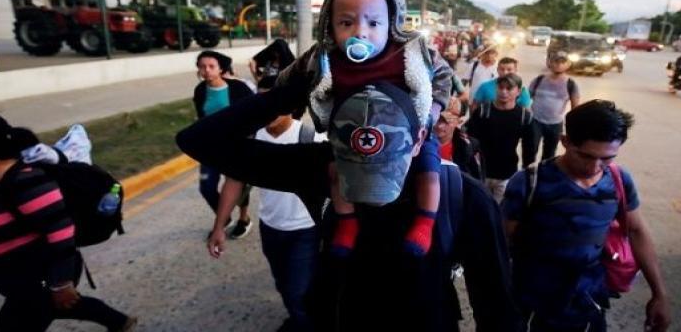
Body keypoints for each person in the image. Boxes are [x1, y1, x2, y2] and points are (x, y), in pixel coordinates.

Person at [176, 82, 521, 331]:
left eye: (388, 164)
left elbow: (496, 306)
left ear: (419, 140)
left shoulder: (462, 195)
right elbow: (198, 141)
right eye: (356, 165)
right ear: (336, 145)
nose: (369, 186)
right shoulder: (322, 167)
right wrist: (296, 87)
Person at [277, 0, 449, 257]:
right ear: (329, 24)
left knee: (429, 170)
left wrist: (429, 116)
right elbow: (288, 80)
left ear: (392, 23)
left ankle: (425, 222)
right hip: (348, 135)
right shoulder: (325, 58)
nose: (361, 32)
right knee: (335, 173)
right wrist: (289, 86)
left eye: (373, 23)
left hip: (406, 135)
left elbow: (443, 78)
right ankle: (347, 222)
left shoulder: (411, 53)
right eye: (346, 23)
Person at [0, 106, 136, 332]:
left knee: (28, 316)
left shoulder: (26, 182)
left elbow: (60, 232)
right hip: (11, 283)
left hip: (41, 279)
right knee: (59, 307)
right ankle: (117, 321)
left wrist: (60, 283)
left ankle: (114, 320)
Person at [502, 100, 671, 332]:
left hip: (588, 300)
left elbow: (636, 231)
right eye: (586, 156)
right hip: (531, 302)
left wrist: (659, 294)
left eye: (607, 158)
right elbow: (502, 242)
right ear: (565, 142)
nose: (595, 167)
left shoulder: (619, 180)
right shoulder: (530, 182)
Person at [207, 76, 324, 332]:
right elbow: (234, 182)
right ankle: (297, 319)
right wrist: (219, 227)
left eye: (275, 100)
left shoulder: (311, 138)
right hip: (270, 228)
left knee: (297, 292)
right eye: (262, 101)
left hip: (305, 231)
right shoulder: (252, 139)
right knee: (283, 284)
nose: (267, 108)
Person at [193, 50, 255, 239]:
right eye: (202, 66)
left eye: (211, 66)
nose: (207, 71)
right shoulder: (200, 90)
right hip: (210, 148)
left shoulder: (238, 88)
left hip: (236, 147)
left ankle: (244, 219)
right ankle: (225, 218)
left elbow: (251, 115)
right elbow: (201, 118)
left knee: (239, 186)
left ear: (221, 69)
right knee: (207, 187)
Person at [466, 74, 536, 201]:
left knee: (500, 211)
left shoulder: (524, 117)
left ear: (518, 91)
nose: (504, 92)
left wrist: (526, 173)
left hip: (507, 173)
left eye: (509, 88)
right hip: (481, 172)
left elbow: (529, 148)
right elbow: (469, 140)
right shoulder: (482, 112)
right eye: (500, 88)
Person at [528, 53, 581, 161]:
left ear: (568, 64)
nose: (559, 65)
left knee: (549, 153)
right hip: (535, 121)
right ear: (549, 63)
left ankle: (545, 175)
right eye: (556, 61)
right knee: (530, 150)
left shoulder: (571, 84)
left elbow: (575, 108)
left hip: (555, 123)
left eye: (562, 62)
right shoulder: (539, 80)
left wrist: (573, 127)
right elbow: (526, 99)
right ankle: (528, 175)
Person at [433, 97, 484, 181]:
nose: (439, 126)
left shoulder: (468, 147)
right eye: (437, 119)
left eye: (446, 121)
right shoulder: (419, 143)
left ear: (458, 121)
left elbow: (477, 181)